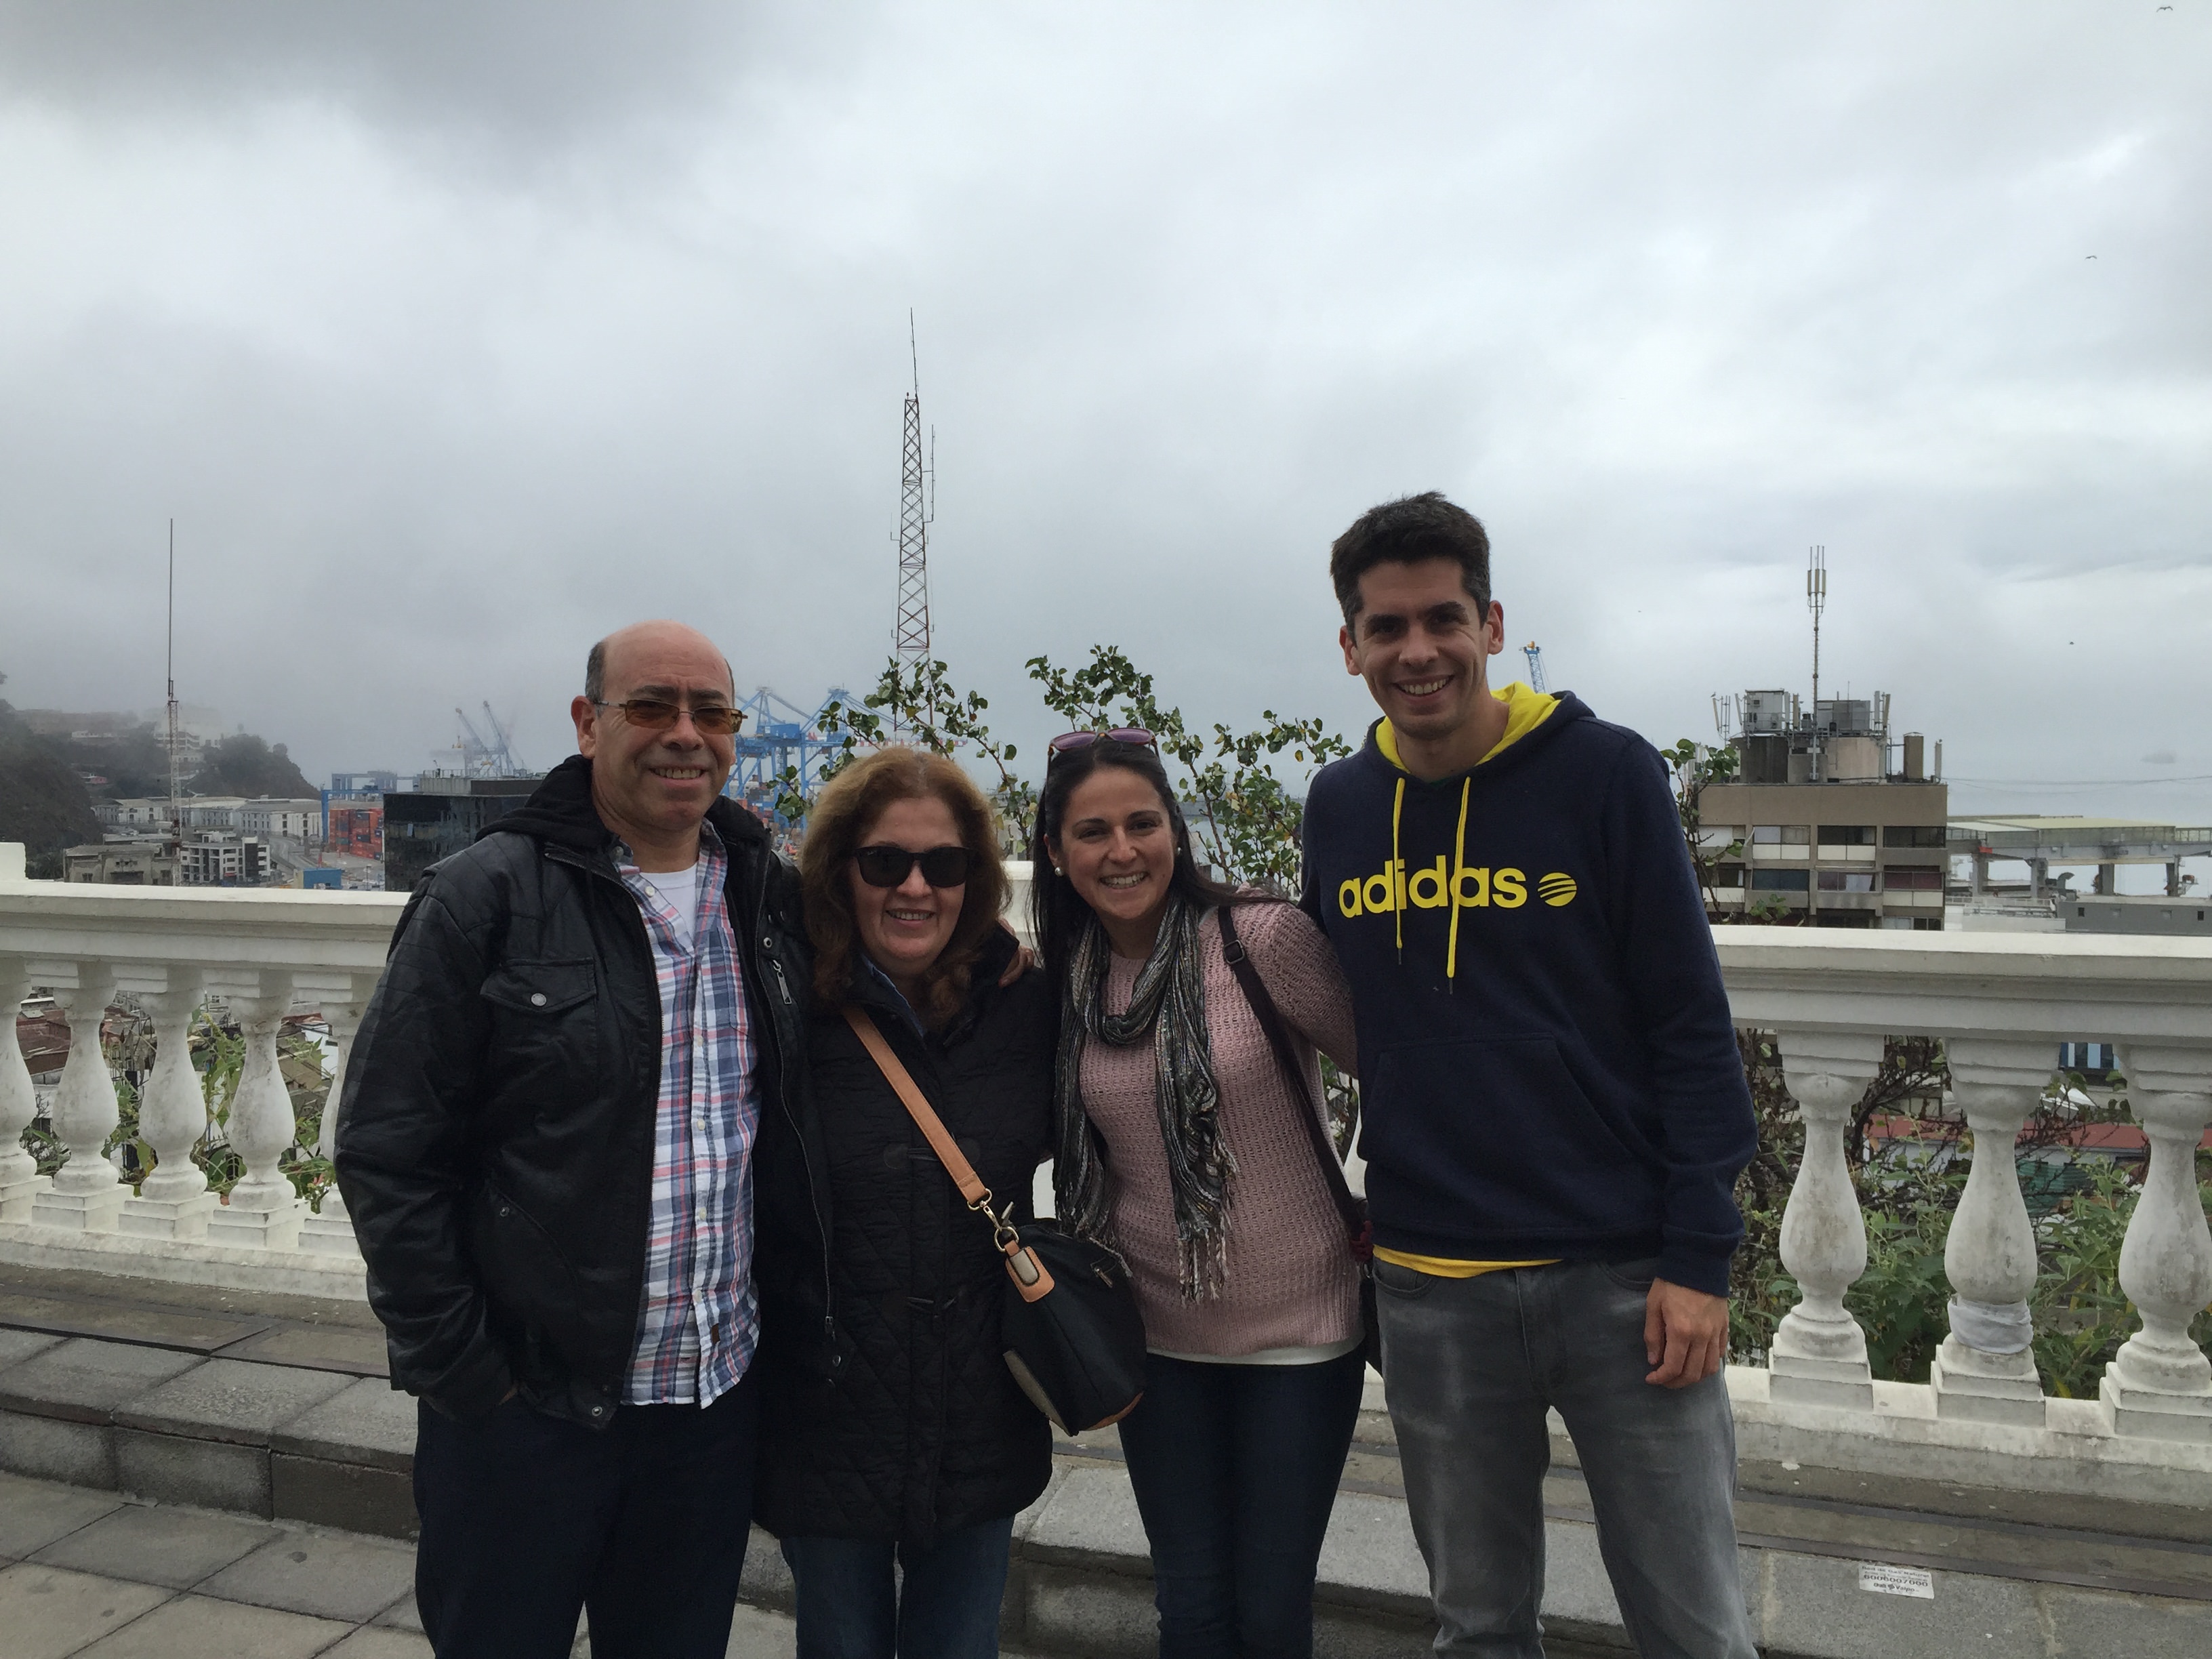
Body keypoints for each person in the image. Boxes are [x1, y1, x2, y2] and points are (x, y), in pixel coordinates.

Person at [1298, 492, 1761, 1658]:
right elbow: (1315, 997)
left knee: (1695, 1629)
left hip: (1623, 1280)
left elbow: (1691, 1027)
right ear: (1350, 646)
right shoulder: (1341, 808)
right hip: (1432, 1284)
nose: (1417, 652)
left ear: (1492, 626)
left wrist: (1699, 1259)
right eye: (1387, 628)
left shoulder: (1605, 774)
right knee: (1477, 1627)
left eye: (1442, 620)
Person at [335, 621, 808, 1659]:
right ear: (589, 724)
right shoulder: (485, 896)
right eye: (651, 707)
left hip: (709, 1408)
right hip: (528, 1413)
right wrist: (470, 1377)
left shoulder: (768, 898)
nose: (685, 735)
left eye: (712, 713)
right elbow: (387, 1150)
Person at [1033, 731, 1364, 1659]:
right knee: (1190, 1608)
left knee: (1271, 1611)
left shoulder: (1262, 939)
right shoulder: (1068, 978)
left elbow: (1394, 1068)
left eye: (1142, 823)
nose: (1122, 851)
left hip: (1300, 1329)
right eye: (1092, 832)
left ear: (1175, 831)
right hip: (1155, 1336)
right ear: (1055, 852)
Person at [752, 746, 1055, 1659]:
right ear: (840, 870)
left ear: (975, 878)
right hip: (826, 1413)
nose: (915, 888)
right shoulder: (784, 1006)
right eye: (886, 861)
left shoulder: (1024, 1005)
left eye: (944, 864)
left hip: (979, 1415)